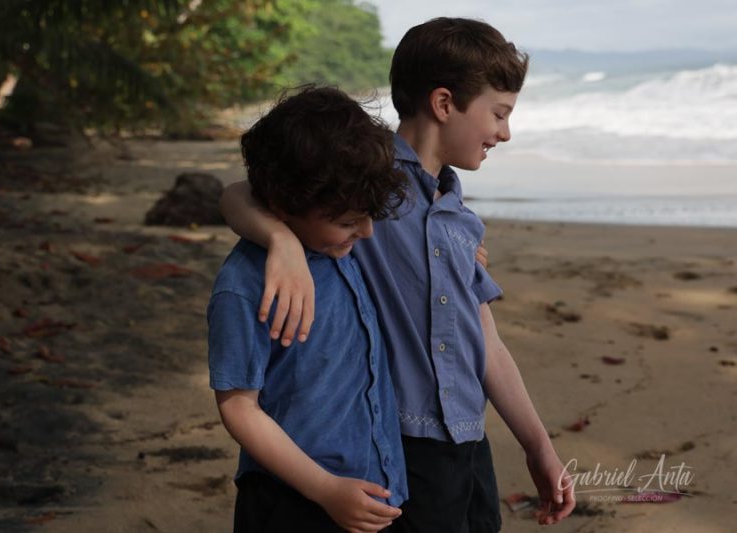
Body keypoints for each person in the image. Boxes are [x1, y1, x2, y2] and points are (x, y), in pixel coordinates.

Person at [219, 17, 576, 532]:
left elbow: (488, 346)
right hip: (396, 444)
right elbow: (241, 192)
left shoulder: (460, 219)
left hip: (468, 440)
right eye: (498, 113)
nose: (505, 132)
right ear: (444, 103)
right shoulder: (368, 185)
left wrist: (538, 444)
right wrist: (279, 241)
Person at [208, 86, 410, 532]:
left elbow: (239, 194)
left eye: (368, 216)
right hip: (295, 501)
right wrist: (323, 488)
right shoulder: (245, 285)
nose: (367, 232)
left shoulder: (341, 244)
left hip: (374, 487)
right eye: (346, 222)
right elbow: (239, 408)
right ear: (283, 207)